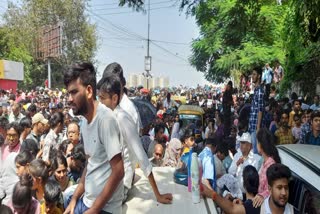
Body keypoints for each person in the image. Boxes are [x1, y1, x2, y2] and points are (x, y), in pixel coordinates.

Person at [96, 73, 173, 203]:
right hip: (106, 181)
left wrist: (157, 195)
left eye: (102, 99)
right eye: (98, 98)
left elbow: (141, 156)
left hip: (120, 187)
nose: (99, 103)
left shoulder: (122, 118)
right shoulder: (107, 117)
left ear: (114, 98)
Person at [64, 62, 124, 213]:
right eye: (68, 93)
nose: (69, 99)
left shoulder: (105, 119)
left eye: (74, 92)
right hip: (87, 202)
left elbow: (118, 171)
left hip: (105, 209)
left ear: (89, 91)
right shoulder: (84, 122)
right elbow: (90, 164)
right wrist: (74, 198)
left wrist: (94, 210)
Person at [252, 128, 282, 208]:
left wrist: (262, 195)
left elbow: (275, 188)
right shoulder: (264, 161)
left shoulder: (271, 164)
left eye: (257, 142)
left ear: (261, 144)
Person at [249, 67, 264, 154]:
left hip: (256, 127)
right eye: (252, 74)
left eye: (254, 74)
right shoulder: (256, 90)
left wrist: (258, 128)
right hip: (252, 125)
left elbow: (260, 109)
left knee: (256, 151)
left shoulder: (260, 91)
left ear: (259, 76)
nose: (252, 76)